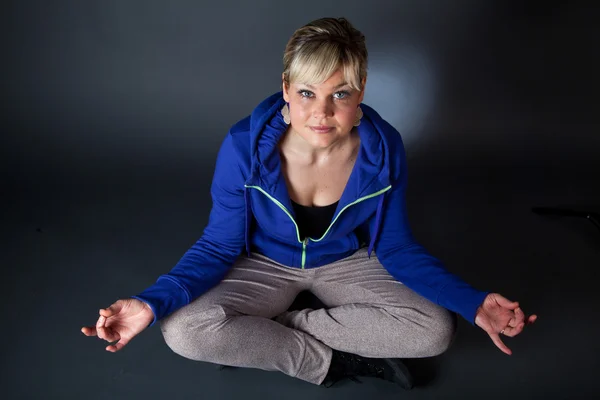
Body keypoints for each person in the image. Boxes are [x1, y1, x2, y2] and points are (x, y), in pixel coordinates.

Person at [81, 17, 537, 388]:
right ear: (285, 89)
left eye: (340, 94)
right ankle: (332, 364)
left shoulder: (384, 148)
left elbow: (396, 248)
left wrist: (473, 303)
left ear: (361, 93)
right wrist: (149, 302)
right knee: (181, 329)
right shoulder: (245, 147)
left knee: (436, 330)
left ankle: (272, 330)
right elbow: (217, 247)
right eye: (307, 93)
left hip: (346, 260)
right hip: (264, 263)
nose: (321, 112)